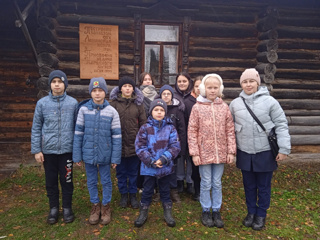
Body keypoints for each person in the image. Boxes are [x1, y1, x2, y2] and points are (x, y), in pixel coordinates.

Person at [229, 68, 291, 230]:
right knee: (249, 185)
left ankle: (261, 214)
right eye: (245, 81)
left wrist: (283, 148)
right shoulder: (235, 104)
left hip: (264, 152)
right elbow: (229, 128)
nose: (248, 85)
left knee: (263, 186)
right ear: (241, 84)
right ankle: (251, 212)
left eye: (251, 81)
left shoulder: (270, 102)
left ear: (258, 83)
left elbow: (281, 125)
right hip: (244, 152)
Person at [188, 73, 236, 228]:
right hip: (203, 153)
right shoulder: (197, 108)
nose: (212, 90)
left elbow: (230, 130)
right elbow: (192, 131)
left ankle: (216, 209)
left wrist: (231, 151)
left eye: (215, 87)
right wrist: (195, 153)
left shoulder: (224, 107)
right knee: (206, 182)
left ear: (220, 89)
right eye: (209, 87)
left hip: (221, 152)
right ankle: (206, 210)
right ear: (203, 88)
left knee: (217, 182)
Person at [31, 70, 78, 224]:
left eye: (60, 81)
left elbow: (77, 128)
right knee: (50, 181)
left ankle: (67, 208)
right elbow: (36, 127)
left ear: (65, 84)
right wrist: (37, 149)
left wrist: (77, 151)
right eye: (54, 81)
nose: (57, 84)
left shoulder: (73, 103)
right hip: (49, 151)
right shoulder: (42, 103)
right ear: (50, 84)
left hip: (67, 151)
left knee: (67, 180)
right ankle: (53, 208)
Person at [73, 77, 121, 225]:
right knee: (92, 181)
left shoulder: (112, 111)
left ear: (105, 92)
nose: (97, 94)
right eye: (94, 91)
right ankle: (95, 205)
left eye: (100, 90)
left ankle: (106, 206)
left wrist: (115, 158)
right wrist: (77, 155)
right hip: (88, 153)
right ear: (90, 92)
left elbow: (117, 137)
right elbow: (78, 133)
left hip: (105, 153)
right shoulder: (83, 110)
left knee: (106, 181)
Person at [134, 99, 181, 228]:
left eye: (161, 110)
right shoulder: (145, 128)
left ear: (165, 112)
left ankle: (167, 212)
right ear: (151, 112)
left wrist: (164, 159)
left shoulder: (170, 128)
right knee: (147, 190)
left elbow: (175, 146)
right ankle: (143, 212)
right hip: (149, 167)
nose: (159, 112)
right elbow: (140, 147)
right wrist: (151, 160)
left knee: (165, 190)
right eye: (156, 110)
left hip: (165, 167)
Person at [109, 76, 147, 209]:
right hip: (118, 144)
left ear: (133, 89)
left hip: (134, 144)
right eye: (125, 86)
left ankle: (132, 194)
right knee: (121, 172)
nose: (127, 88)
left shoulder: (138, 103)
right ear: (120, 88)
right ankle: (123, 194)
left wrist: (142, 140)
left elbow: (143, 123)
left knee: (133, 172)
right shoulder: (113, 103)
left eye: (130, 86)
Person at [158, 85, 187, 203]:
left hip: (173, 147)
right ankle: (161, 191)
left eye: (168, 94)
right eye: (163, 94)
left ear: (172, 95)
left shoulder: (177, 110)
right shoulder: (157, 109)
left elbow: (182, 130)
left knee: (172, 169)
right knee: (159, 169)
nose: (166, 96)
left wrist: (181, 148)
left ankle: (173, 191)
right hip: (159, 146)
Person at [174, 72, 194, 194]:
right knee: (180, 157)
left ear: (189, 82)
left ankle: (190, 181)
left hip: (192, 132)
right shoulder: (174, 97)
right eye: (179, 81)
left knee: (190, 157)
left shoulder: (193, 98)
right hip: (178, 132)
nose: (182, 83)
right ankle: (179, 180)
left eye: (184, 81)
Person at [184, 76, 203, 201]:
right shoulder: (188, 102)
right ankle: (197, 190)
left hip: (208, 141)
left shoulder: (213, 101)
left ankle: (205, 189)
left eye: (201, 86)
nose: (199, 89)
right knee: (195, 167)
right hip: (193, 139)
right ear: (193, 87)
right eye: (197, 86)